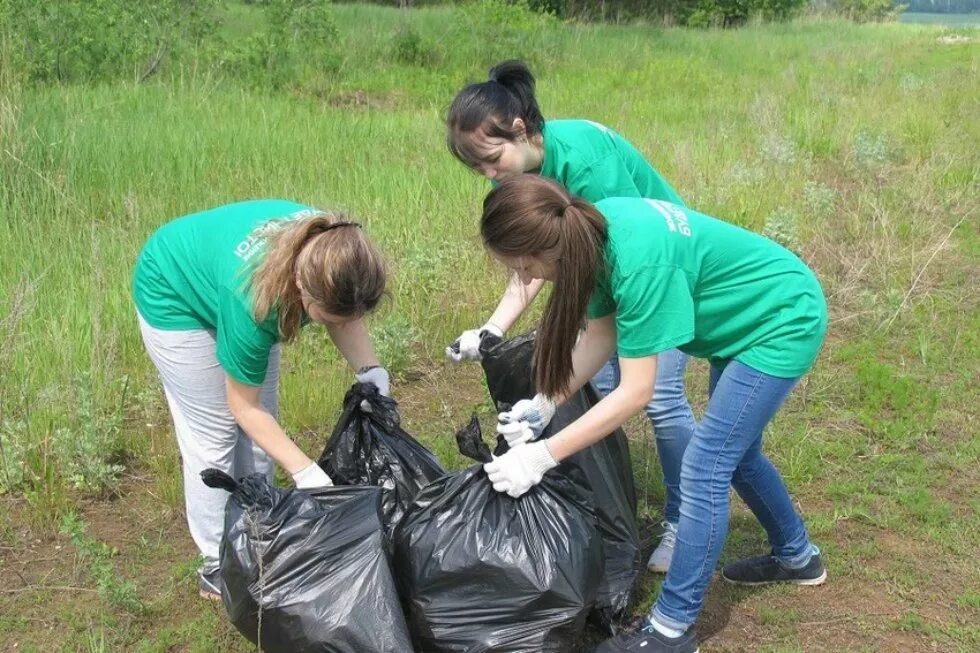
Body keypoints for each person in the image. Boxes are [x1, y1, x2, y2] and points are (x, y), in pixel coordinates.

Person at [477, 176, 828, 653]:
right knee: (737, 455)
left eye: (523, 267)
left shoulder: (637, 263)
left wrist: (541, 456)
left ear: (544, 251)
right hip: (748, 320)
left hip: (781, 320)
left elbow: (636, 392)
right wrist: (545, 403)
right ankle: (797, 557)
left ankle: (671, 629)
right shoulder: (589, 231)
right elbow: (601, 335)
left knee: (705, 467)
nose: (525, 278)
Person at [445, 60, 692, 571]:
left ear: (521, 130)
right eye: (478, 169)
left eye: (492, 159)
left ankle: (684, 519)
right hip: (602, 281)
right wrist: (493, 328)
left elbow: (618, 248)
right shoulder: (510, 177)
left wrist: (540, 452)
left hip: (655, 271)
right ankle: (603, 509)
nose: (489, 175)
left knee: (659, 396)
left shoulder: (585, 162)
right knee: (592, 385)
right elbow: (528, 261)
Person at [132, 199, 391, 601]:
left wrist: (370, 370)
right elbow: (243, 406)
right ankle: (218, 563)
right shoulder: (256, 303)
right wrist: (305, 471)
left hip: (234, 282)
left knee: (260, 431)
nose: (337, 326)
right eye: (329, 319)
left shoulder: (335, 251)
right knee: (215, 435)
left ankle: (259, 532)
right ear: (303, 289)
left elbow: (346, 312)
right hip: (173, 292)